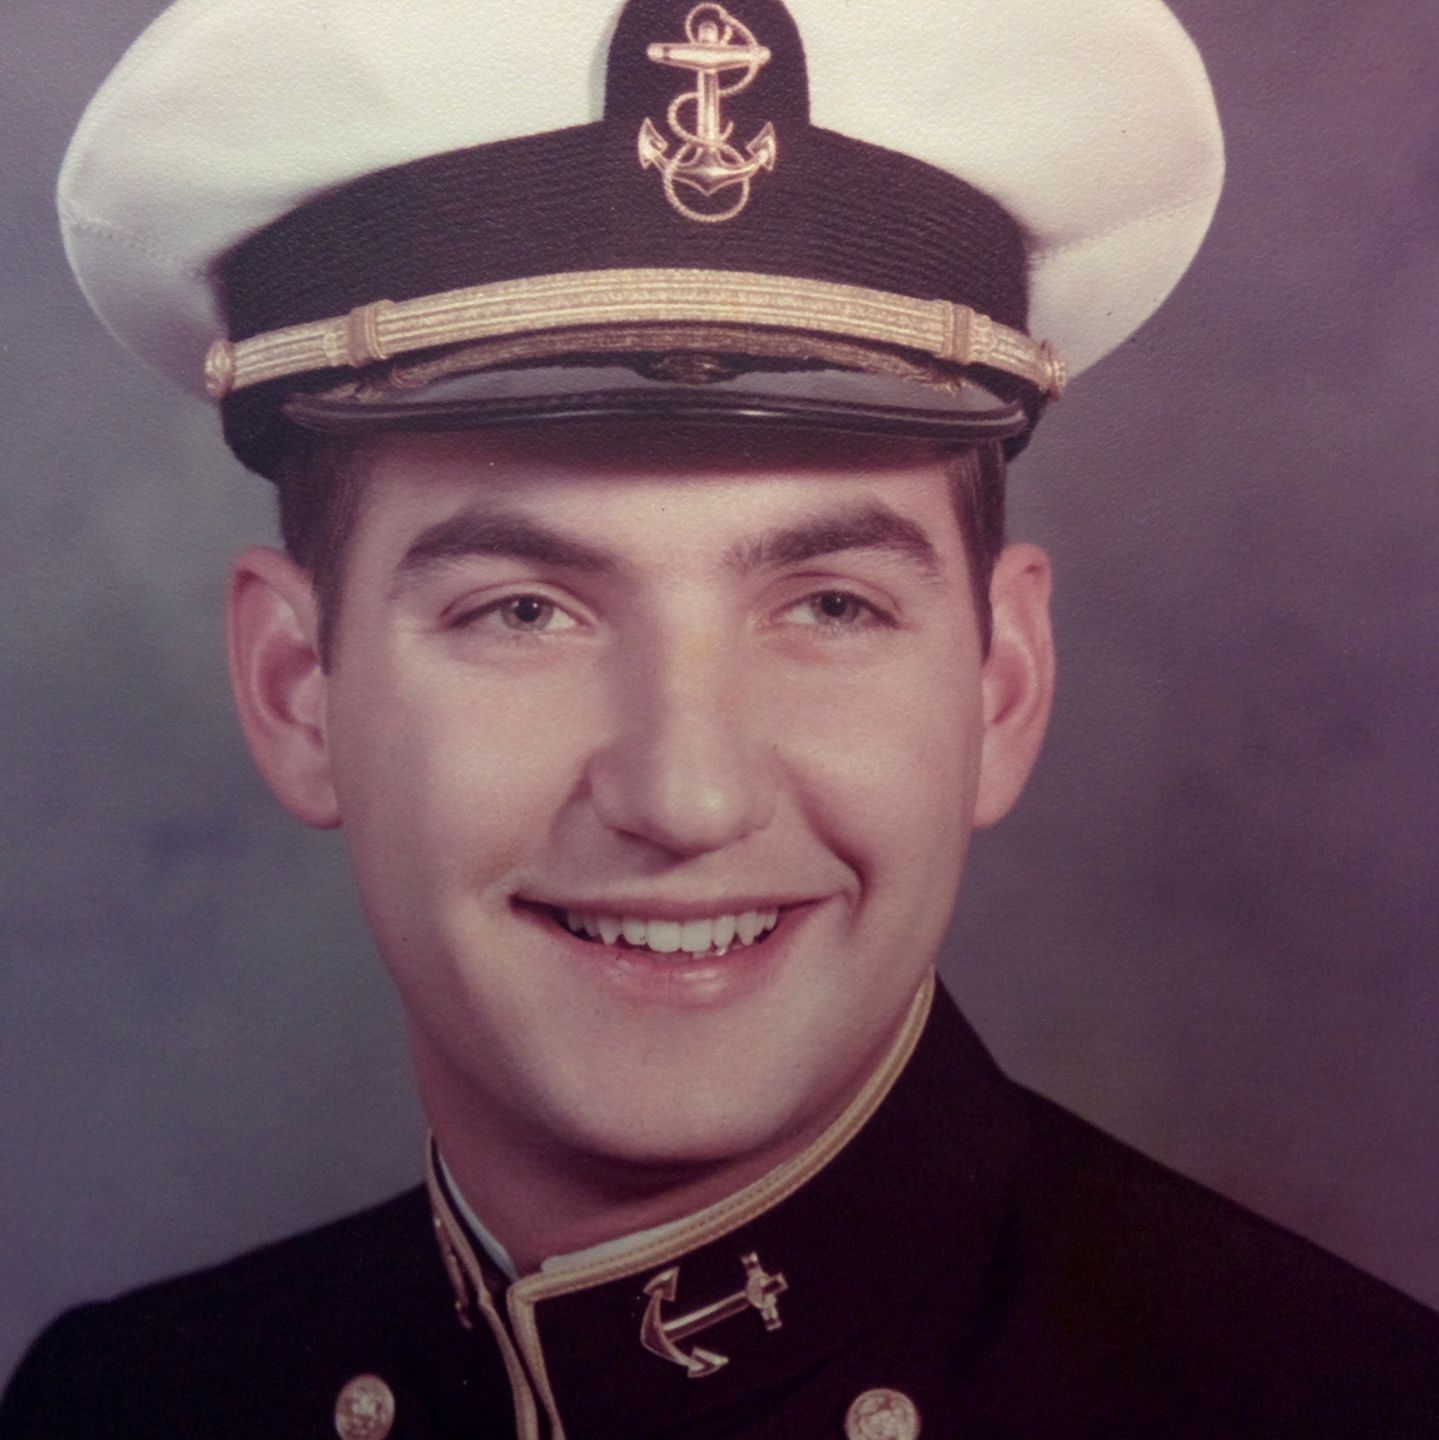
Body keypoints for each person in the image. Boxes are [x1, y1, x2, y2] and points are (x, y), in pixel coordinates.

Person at [3, 0, 1436, 1436]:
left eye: (831, 607)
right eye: (524, 612)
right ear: (294, 693)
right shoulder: (121, 1405)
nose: (685, 798)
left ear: (1001, 684)